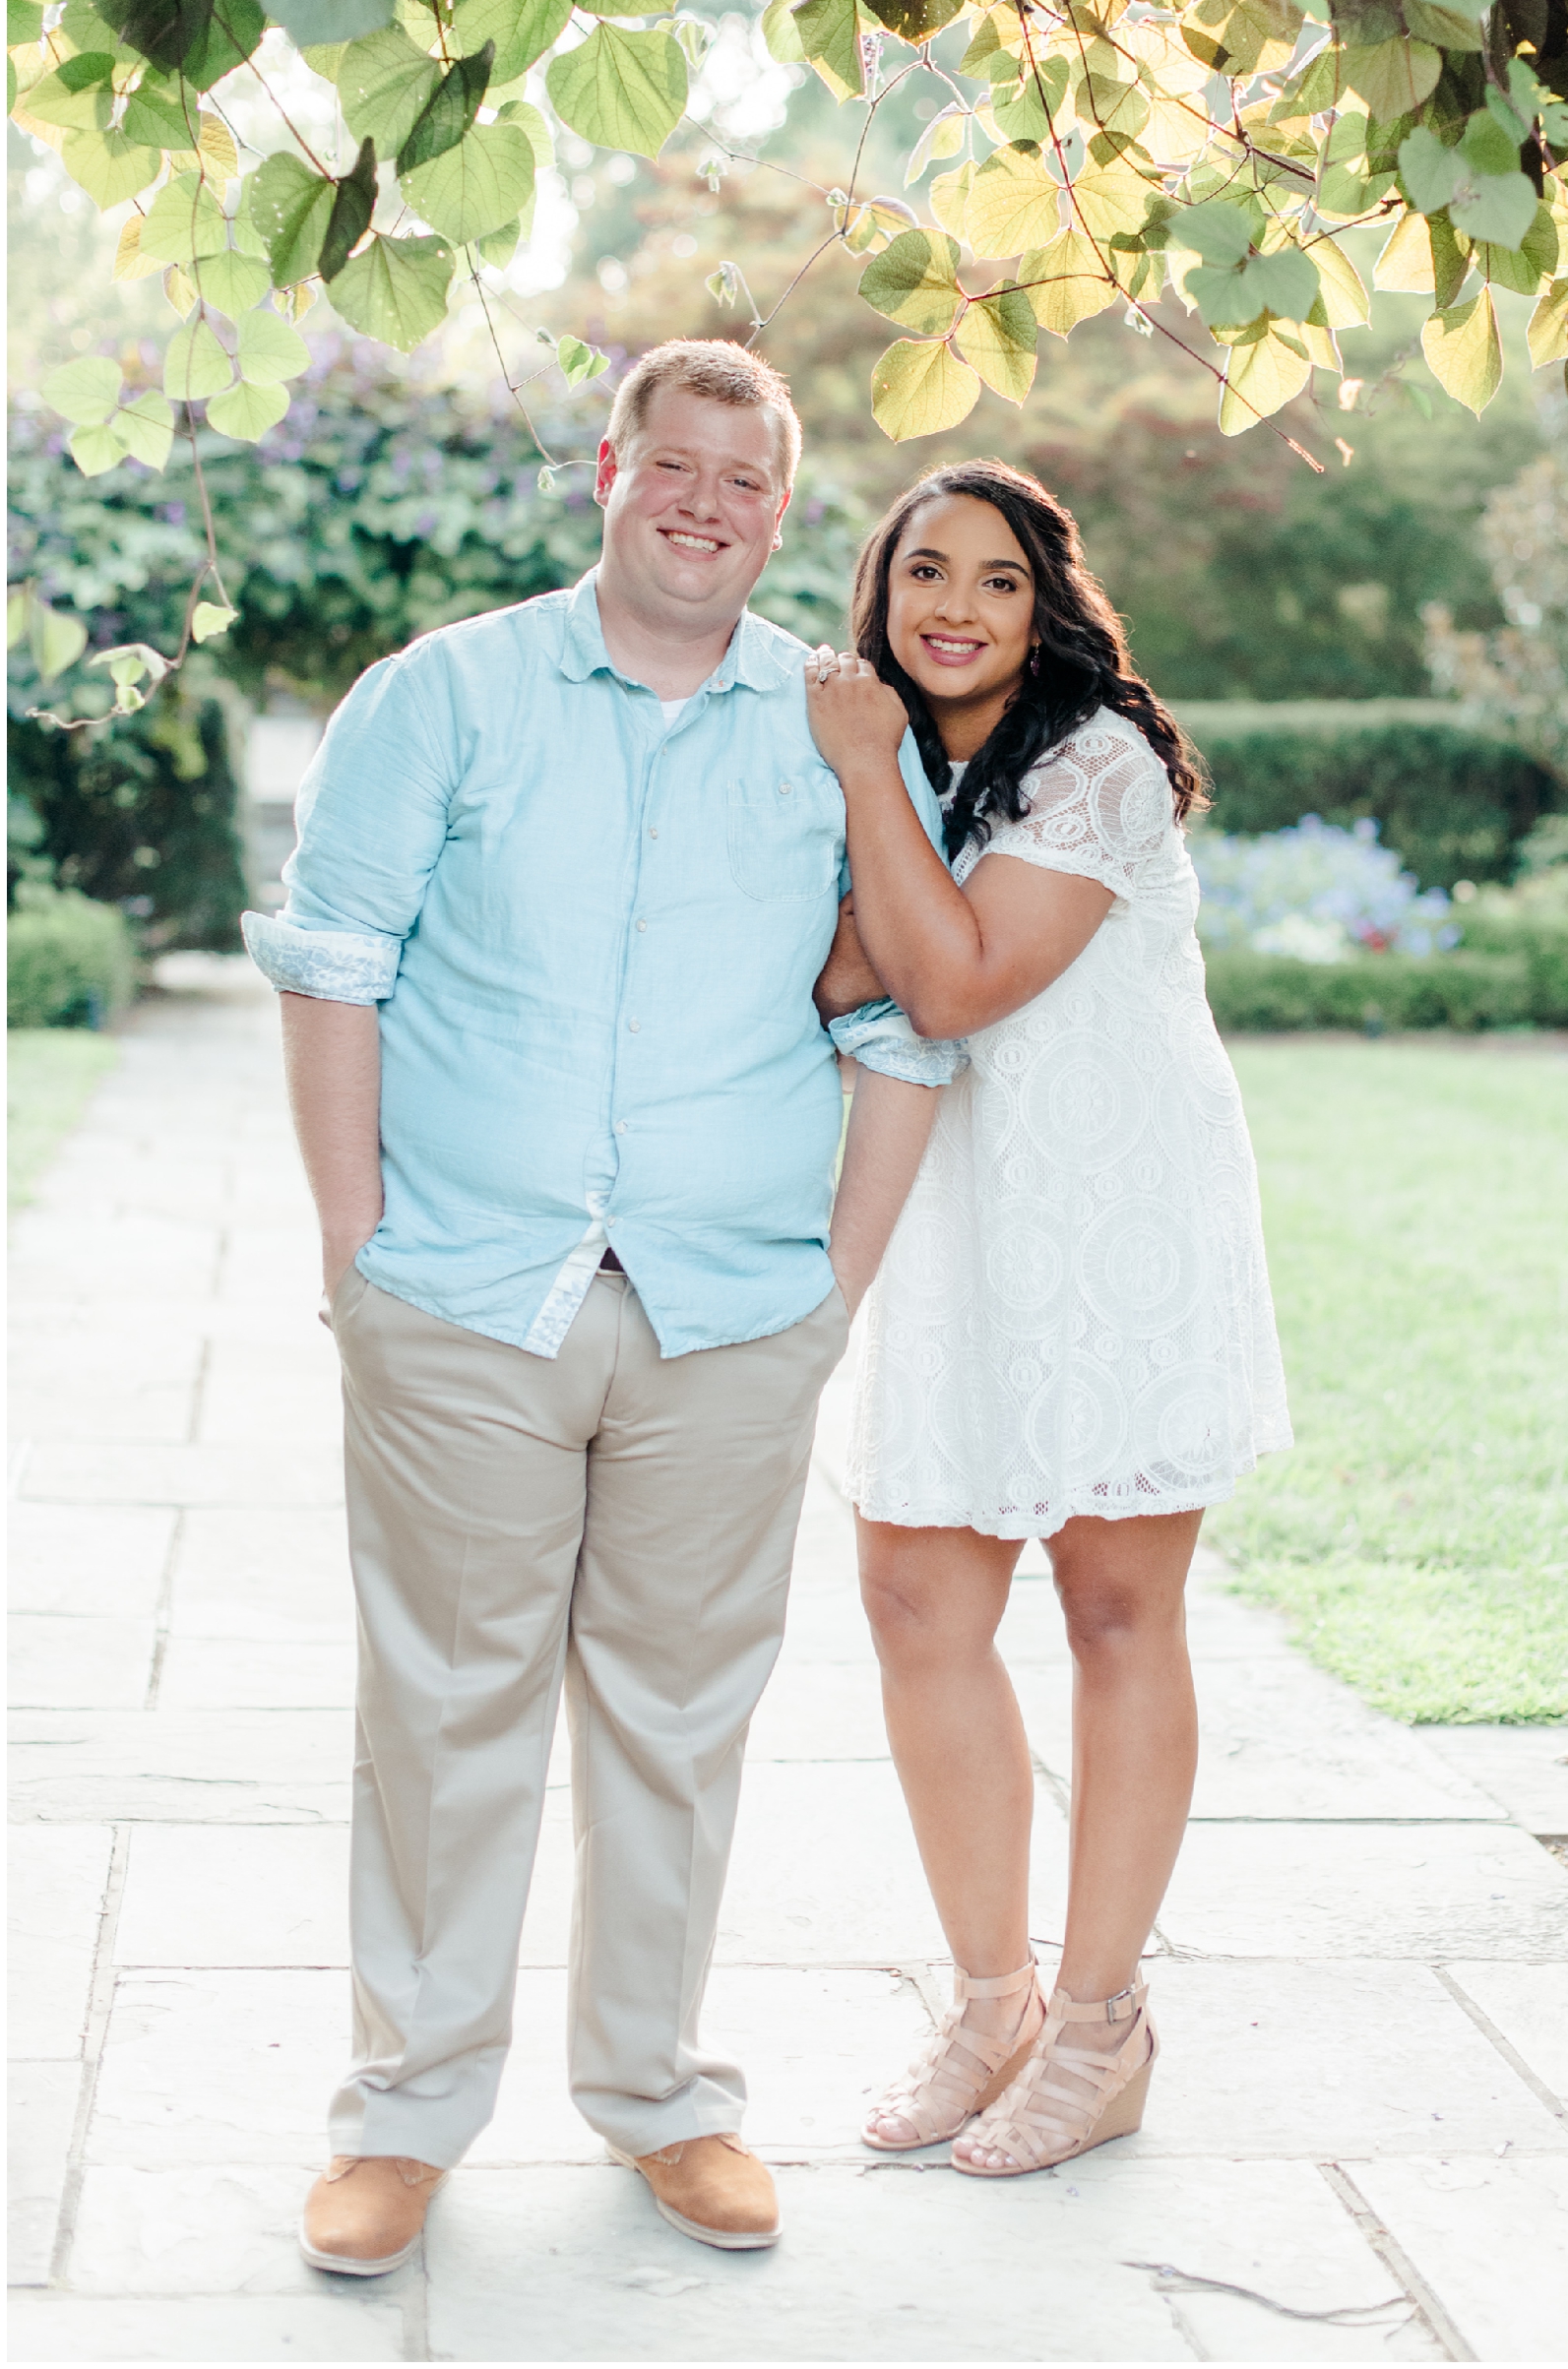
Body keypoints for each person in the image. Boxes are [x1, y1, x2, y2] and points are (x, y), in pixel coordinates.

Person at [242, 341, 955, 2274]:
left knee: (677, 1716)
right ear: (609, 469)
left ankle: (657, 2095)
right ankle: (401, 2120)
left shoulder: (833, 724)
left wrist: (835, 1290)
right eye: (677, 463)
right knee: (447, 1709)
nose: (706, 502)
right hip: (465, 1295)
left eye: (747, 478)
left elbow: (900, 1018)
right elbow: (331, 962)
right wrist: (352, 1248)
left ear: (781, 509)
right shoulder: (446, 695)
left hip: (731, 1316)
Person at [803, 461, 1291, 2177]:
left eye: (994, 580)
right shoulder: (887, 757)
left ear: (1046, 604)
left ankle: (1101, 2032)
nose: (952, 606)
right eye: (920, 571)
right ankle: (991, 2001)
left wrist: (865, 796)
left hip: (1112, 1224)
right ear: (877, 595)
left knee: (1107, 1604)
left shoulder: (1096, 764)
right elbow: (821, 968)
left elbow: (931, 978)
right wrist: (876, 819)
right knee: (914, 1592)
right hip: (944, 1227)